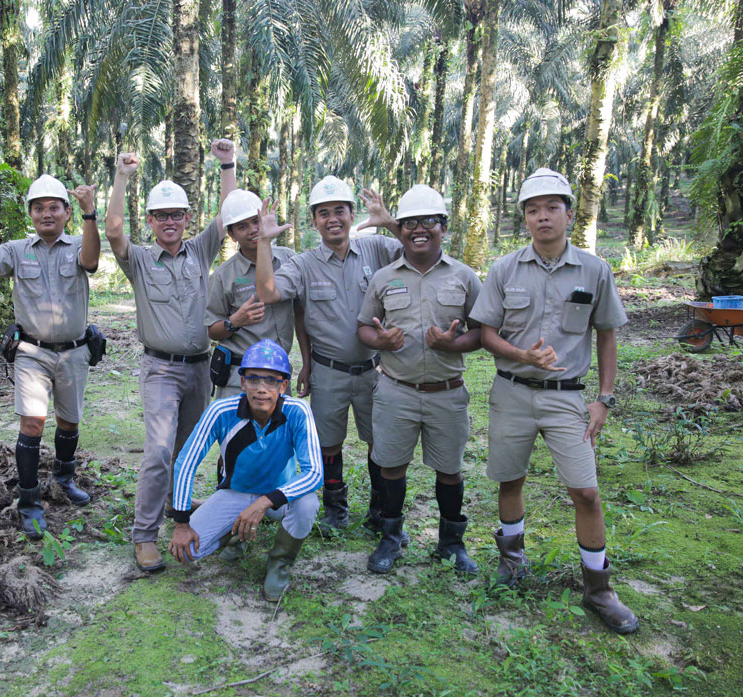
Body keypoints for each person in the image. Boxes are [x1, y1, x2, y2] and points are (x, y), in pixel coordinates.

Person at [469, 167, 638, 634]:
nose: (542, 217)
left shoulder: (593, 269)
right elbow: (485, 333)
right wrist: (521, 353)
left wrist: (604, 398)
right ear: (524, 218)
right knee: (509, 479)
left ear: (568, 213)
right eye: (532, 210)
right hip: (512, 392)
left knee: (585, 491)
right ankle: (513, 561)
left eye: (551, 208)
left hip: (568, 399)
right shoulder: (504, 269)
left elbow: (606, 336)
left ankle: (599, 588)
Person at [104, 139, 237, 572]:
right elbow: (113, 233)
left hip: (201, 369)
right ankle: (144, 535)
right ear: (151, 220)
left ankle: (176, 506)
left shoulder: (200, 250)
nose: (169, 222)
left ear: (186, 218)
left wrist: (227, 165)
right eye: (161, 215)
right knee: (159, 451)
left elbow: (227, 214)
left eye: (176, 214)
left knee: (186, 451)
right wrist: (122, 176)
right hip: (160, 369)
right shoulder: (141, 260)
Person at [254, 177, 403, 538]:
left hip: (374, 370)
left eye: (340, 211)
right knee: (327, 443)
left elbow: (421, 253)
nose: (333, 219)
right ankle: (336, 507)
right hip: (328, 372)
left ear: (352, 215)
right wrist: (263, 241)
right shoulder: (304, 265)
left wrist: (391, 223)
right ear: (313, 221)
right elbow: (268, 291)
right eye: (324, 213)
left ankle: (380, 510)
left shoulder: (378, 249)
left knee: (379, 444)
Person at [356, 185, 482, 574]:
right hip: (396, 390)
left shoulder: (464, 276)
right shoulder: (383, 277)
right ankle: (391, 537)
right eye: (409, 222)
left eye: (429, 220)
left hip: (447, 392)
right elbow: (363, 328)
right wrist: (381, 339)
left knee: (449, 470)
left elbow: (483, 332)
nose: (419, 229)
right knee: (392, 466)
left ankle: (451, 544)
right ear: (401, 229)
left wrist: (454, 343)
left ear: (444, 226)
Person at [0, 174, 100, 539]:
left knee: (69, 422)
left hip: (73, 352)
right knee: (32, 424)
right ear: (30, 214)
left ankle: (64, 479)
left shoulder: (78, 244)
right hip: (31, 353)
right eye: (38, 208)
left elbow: (91, 261)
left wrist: (92, 215)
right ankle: (29, 503)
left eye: (53, 207)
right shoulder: (17, 249)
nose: (46, 214)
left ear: (66, 212)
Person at [167, 340, 322, 602]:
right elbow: (186, 463)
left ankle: (279, 563)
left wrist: (264, 502)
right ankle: (235, 534)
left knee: (307, 504)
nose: (261, 389)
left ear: (283, 385)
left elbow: (314, 473)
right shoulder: (221, 410)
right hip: (236, 492)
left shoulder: (297, 412)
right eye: (254, 379)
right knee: (188, 551)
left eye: (271, 381)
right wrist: (181, 523)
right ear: (242, 383)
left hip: (278, 496)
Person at [205, 189, 306, 401]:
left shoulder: (288, 260)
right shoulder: (224, 276)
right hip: (238, 375)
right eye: (242, 226)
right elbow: (211, 330)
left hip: (278, 373)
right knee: (236, 433)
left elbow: (300, 314)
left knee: (277, 433)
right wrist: (235, 321)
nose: (253, 230)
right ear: (231, 235)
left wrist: (308, 362)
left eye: (255, 221)